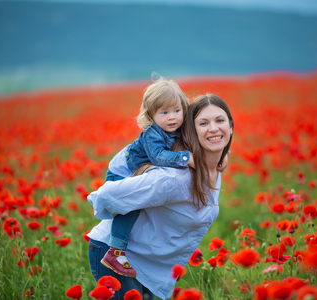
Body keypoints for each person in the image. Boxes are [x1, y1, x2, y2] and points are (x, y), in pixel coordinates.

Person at [87, 94, 234, 299]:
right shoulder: (173, 179)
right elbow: (106, 195)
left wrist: (224, 154)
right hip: (119, 256)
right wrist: (111, 212)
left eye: (220, 121)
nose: (213, 128)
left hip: (146, 263)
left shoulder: (213, 165)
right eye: (203, 123)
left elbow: (217, 141)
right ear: (190, 131)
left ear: (231, 127)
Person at [101, 76, 194, 278]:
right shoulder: (153, 133)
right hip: (121, 172)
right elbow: (159, 157)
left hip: (142, 168)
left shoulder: (177, 129)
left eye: (177, 111)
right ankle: (114, 251)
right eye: (164, 112)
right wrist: (186, 158)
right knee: (131, 204)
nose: (172, 117)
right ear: (151, 116)